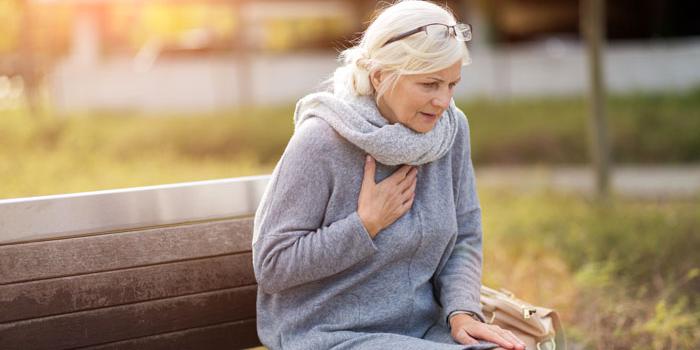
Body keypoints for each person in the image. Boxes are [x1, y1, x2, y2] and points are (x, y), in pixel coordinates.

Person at [252, 1, 526, 349]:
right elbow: (273, 265)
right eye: (429, 84)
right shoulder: (322, 141)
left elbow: (465, 235)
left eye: (452, 84)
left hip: (422, 330)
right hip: (331, 332)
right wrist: (364, 225)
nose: (443, 101)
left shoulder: (451, 130)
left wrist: (462, 312)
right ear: (380, 75)